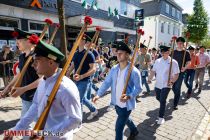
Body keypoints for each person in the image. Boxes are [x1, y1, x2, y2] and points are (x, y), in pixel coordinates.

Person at [4, 40, 82, 140]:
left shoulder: (66, 89)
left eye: (37, 61)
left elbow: (75, 120)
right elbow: (35, 105)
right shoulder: (43, 81)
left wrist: (48, 134)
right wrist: (16, 130)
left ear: (50, 62)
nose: (33, 65)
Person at [93, 41, 142, 140]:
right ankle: (134, 130)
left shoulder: (133, 71)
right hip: (116, 103)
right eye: (117, 52)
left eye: (121, 53)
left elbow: (139, 88)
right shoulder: (114, 69)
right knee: (125, 119)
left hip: (126, 105)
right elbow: (107, 83)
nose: (117, 55)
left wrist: (129, 96)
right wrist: (98, 94)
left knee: (118, 128)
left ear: (127, 55)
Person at [0, 28, 40, 117]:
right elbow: (19, 74)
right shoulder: (22, 57)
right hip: (25, 96)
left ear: (29, 42)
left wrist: (23, 89)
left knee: (40, 125)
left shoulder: (36, 57)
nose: (17, 44)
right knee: (25, 123)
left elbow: (43, 79)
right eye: (16, 41)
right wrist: (8, 88)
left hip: (36, 97)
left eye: (20, 41)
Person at [68, 34, 98, 121]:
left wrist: (82, 76)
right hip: (76, 80)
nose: (77, 40)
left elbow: (93, 69)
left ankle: (78, 122)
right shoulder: (76, 53)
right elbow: (73, 65)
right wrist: (67, 74)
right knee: (83, 98)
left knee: (79, 100)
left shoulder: (89, 54)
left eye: (80, 39)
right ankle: (94, 110)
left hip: (84, 80)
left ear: (84, 42)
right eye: (77, 39)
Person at [148, 45, 180, 124]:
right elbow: (153, 71)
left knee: (162, 100)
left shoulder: (173, 62)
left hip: (167, 84)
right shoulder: (158, 61)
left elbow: (176, 74)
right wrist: (149, 78)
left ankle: (161, 117)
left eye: (165, 52)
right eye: (162, 52)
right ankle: (163, 104)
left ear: (169, 52)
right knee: (158, 98)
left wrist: (172, 81)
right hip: (158, 84)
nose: (163, 54)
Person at [172, 37, 191, 110]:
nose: (180, 45)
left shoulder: (186, 53)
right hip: (173, 72)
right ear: (176, 43)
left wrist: (185, 68)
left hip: (181, 73)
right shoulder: (173, 52)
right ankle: (177, 94)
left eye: (181, 43)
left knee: (177, 87)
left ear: (183, 44)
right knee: (173, 87)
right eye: (178, 43)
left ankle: (175, 104)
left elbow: (189, 62)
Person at [100, 41, 118, 111]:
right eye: (112, 50)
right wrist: (102, 73)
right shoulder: (111, 59)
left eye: (114, 50)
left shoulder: (122, 58)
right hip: (113, 78)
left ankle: (118, 103)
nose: (113, 51)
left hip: (121, 78)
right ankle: (113, 104)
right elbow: (107, 68)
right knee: (113, 91)